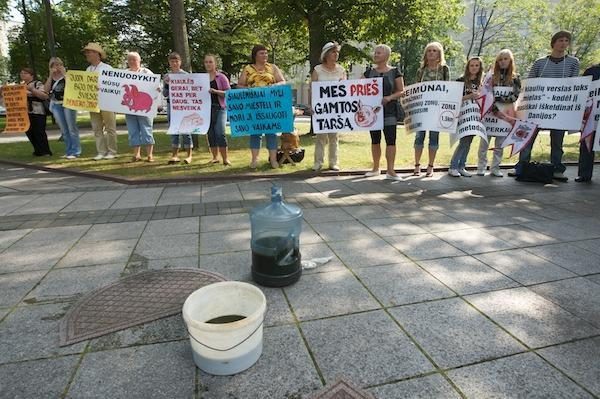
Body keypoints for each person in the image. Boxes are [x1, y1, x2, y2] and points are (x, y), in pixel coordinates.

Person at [512, 31, 580, 181]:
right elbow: (530, 84)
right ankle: (522, 166)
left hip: (559, 108)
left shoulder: (573, 62)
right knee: (528, 137)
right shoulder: (540, 63)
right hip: (538, 108)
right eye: (560, 40)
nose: (563, 43)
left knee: (557, 141)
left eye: (566, 41)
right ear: (553, 43)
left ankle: (557, 168)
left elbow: (574, 84)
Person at [237, 44, 286, 169]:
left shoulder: (273, 68)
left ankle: (274, 160)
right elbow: (239, 86)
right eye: (262, 53)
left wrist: (274, 86)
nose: (265, 55)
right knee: (255, 132)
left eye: (266, 53)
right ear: (255, 55)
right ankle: (254, 160)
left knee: (271, 132)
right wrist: (250, 89)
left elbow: (283, 81)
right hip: (254, 105)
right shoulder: (248, 69)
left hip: (270, 106)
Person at [363, 44, 404, 180]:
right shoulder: (368, 72)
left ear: (386, 56)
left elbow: (401, 91)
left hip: (389, 111)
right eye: (375, 52)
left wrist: (389, 98)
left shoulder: (395, 72)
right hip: (372, 113)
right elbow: (355, 87)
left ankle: (390, 171)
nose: (375, 55)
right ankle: (375, 168)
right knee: (375, 140)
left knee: (390, 140)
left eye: (378, 53)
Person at [478, 49, 521, 177]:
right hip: (490, 114)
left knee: (500, 144)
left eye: (505, 59)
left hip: (506, 116)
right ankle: (481, 166)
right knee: (484, 143)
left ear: (510, 61)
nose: (503, 62)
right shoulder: (491, 76)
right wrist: (493, 106)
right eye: (500, 59)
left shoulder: (515, 78)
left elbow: (515, 96)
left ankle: (495, 168)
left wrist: (498, 100)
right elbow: (485, 93)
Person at [413, 42, 450, 177]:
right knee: (419, 137)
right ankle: (417, 165)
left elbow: (448, 89)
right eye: (429, 51)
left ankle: (430, 166)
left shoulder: (444, 69)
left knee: (434, 137)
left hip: (437, 109)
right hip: (423, 109)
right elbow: (416, 89)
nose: (431, 53)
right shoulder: (421, 70)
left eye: (434, 51)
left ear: (439, 53)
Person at [312, 41, 346, 171]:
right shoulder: (317, 70)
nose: (336, 54)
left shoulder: (341, 70)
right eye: (333, 52)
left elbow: (345, 88)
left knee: (334, 136)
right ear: (326, 54)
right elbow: (313, 89)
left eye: (337, 52)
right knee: (320, 136)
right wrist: (312, 105)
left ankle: (333, 162)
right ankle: (318, 162)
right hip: (321, 108)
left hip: (336, 108)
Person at [448, 56, 484, 177]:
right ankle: (453, 166)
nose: (474, 68)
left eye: (476, 65)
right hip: (463, 114)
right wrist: (469, 96)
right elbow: (453, 98)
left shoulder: (481, 83)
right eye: (472, 65)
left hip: (475, 116)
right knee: (463, 141)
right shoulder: (460, 80)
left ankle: (462, 166)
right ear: (468, 67)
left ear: (480, 68)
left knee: (469, 141)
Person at [83, 42, 118, 161]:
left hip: (106, 101)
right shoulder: (88, 69)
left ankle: (112, 151)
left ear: (97, 54)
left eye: (89, 52)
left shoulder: (107, 68)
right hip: (93, 102)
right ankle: (101, 151)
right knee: (96, 128)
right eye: (86, 53)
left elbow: (114, 85)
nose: (87, 54)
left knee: (110, 127)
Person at [44, 57, 81, 159]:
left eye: (59, 64)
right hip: (56, 104)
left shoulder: (67, 75)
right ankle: (69, 151)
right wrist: (50, 75)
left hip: (68, 103)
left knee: (71, 128)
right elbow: (46, 90)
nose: (57, 67)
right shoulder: (51, 78)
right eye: (54, 65)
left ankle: (76, 151)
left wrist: (64, 74)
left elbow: (74, 86)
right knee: (64, 130)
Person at [163, 52, 193, 164]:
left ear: (180, 62)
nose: (174, 63)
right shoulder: (167, 76)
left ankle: (189, 155)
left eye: (176, 61)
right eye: (172, 61)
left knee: (186, 128)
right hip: (171, 104)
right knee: (173, 129)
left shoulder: (186, 75)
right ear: (169, 63)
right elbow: (165, 94)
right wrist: (167, 84)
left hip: (184, 105)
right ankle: (174, 155)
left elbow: (191, 91)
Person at [125, 51, 155, 162]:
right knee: (133, 130)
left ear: (139, 61)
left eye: (134, 59)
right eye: (130, 60)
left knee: (146, 129)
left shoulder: (146, 72)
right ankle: (136, 154)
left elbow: (155, 86)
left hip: (143, 108)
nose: (132, 62)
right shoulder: (123, 73)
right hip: (130, 108)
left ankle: (149, 155)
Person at [204, 53, 231, 165]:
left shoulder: (221, 77)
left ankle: (225, 158)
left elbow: (228, 93)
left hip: (220, 108)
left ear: (215, 64)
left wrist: (216, 92)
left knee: (220, 132)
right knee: (210, 133)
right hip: (206, 109)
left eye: (211, 62)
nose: (208, 64)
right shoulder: (201, 78)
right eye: (206, 62)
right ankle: (215, 157)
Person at [575, 63, 600, 182]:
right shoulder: (591, 71)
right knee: (586, 144)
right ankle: (584, 174)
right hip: (591, 116)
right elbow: (583, 90)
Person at [21, 67, 52, 156]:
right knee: (29, 131)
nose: (22, 75)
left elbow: (44, 96)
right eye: (21, 73)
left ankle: (45, 151)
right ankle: (37, 150)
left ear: (31, 75)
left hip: (38, 111)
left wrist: (31, 91)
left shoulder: (37, 84)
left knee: (39, 132)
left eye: (25, 73)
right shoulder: (21, 86)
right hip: (26, 113)